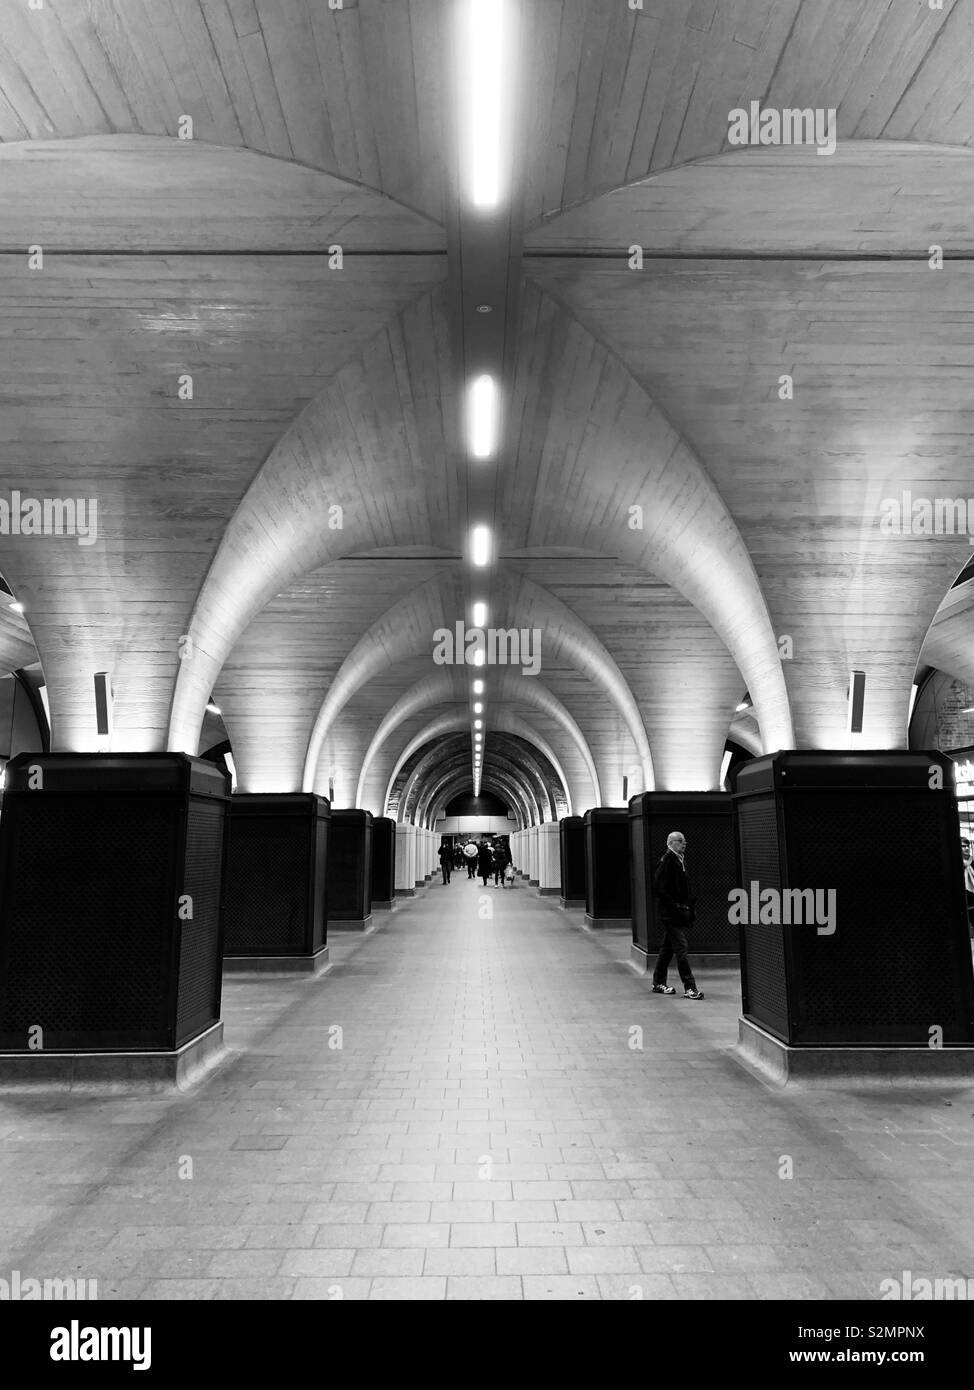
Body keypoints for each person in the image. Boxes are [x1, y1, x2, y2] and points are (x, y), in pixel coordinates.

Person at [652, 830, 704, 1000]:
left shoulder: (679, 860)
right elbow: (660, 888)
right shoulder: (667, 861)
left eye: (684, 840)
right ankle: (690, 987)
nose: (684, 843)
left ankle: (658, 983)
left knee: (667, 949)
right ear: (671, 843)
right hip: (671, 914)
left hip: (674, 912)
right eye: (680, 841)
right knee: (681, 948)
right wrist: (676, 905)